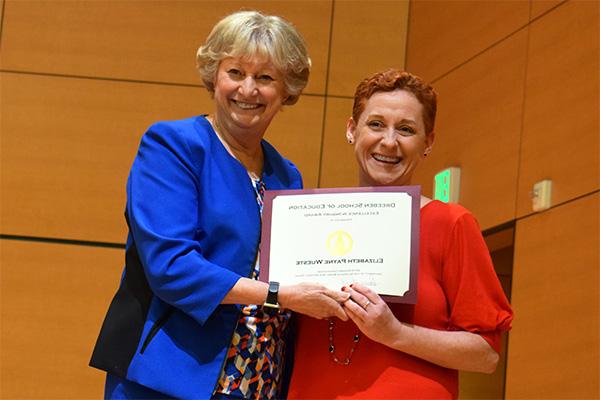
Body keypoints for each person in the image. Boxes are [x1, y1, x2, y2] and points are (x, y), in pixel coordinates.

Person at [89, 11, 349, 399]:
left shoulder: (286, 174)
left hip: (259, 378)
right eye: (235, 72)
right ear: (214, 76)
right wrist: (278, 294)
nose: (248, 89)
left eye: (265, 77)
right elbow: (171, 267)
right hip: (170, 374)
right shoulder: (173, 145)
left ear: (286, 90)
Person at [287, 69, 514, 399]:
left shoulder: (452, 224)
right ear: (352, 130)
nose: (389, 142)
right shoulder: (309, 220)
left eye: (406, 129)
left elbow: (486, 355)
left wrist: (394, 333)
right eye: (376, 124)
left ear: (428, 142)